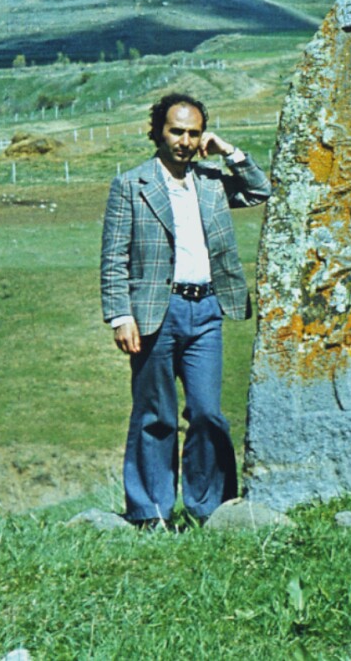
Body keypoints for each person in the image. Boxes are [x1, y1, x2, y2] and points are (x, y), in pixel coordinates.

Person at [100, 91, 271, 527]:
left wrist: (228, 151)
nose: (185, 140)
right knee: (155, 414)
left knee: (206, 412)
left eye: (193, 133)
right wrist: (121, 316)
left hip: (207, 310)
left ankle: (209, 509)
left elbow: (259, 189)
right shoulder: (131, 185)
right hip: (155, 312)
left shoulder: (211, 181)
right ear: (158, 131)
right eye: (177, 131)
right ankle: (150, 512)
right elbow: (114, 257)